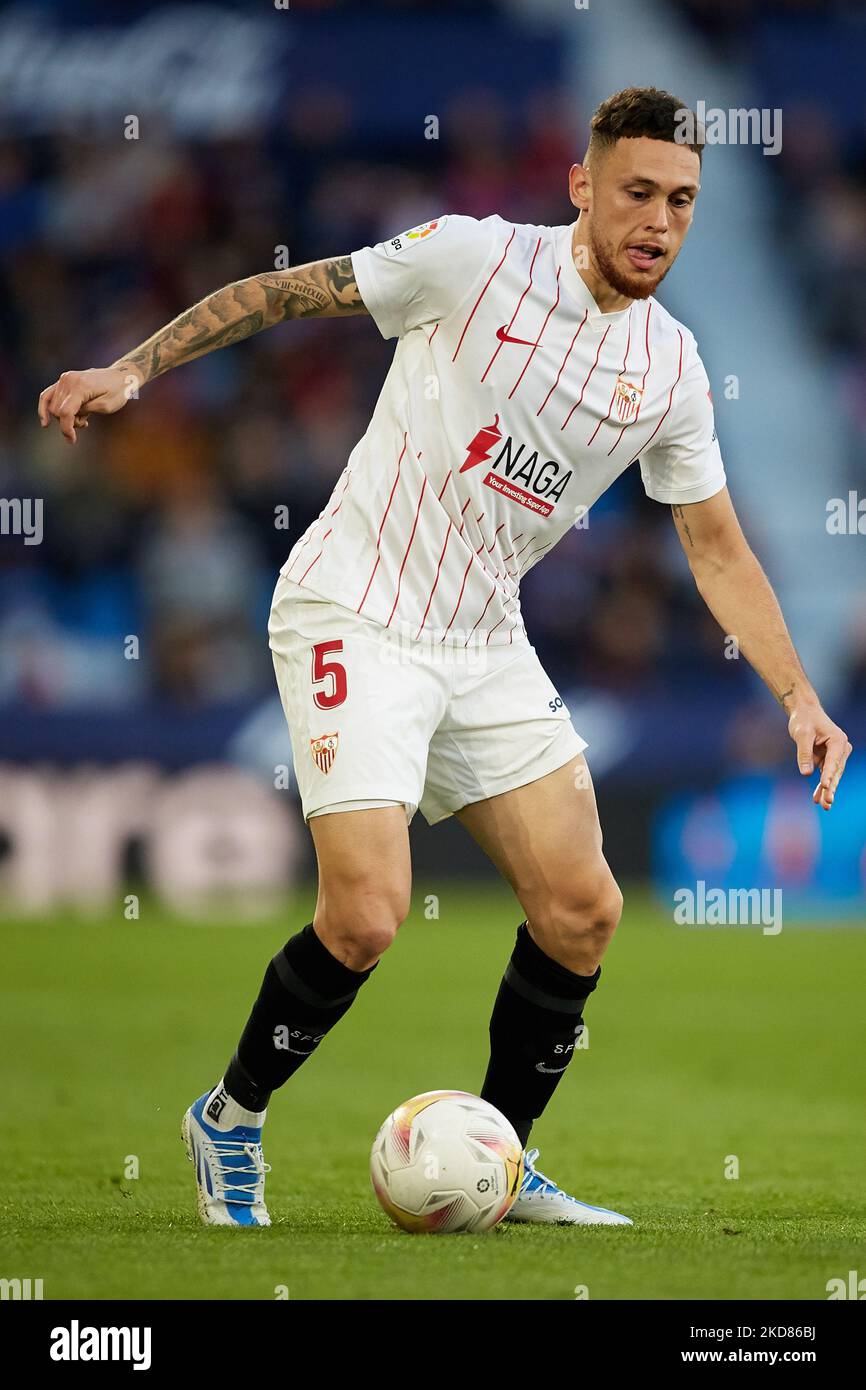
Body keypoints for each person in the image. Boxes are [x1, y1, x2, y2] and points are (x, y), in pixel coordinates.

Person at [38, 87, 851, 1229]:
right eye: (634, 192)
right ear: (581, 185)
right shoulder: (470, 260)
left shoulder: (669, 368)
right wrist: (134, 369)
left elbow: (713, 544)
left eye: (678, 201)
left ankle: (505, 1159)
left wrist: (797, 694)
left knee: (582, 908)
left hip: (483, 635)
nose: (656, 221)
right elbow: (281, 292)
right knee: (367, 914)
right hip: (352, 603)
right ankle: (228, 1115)